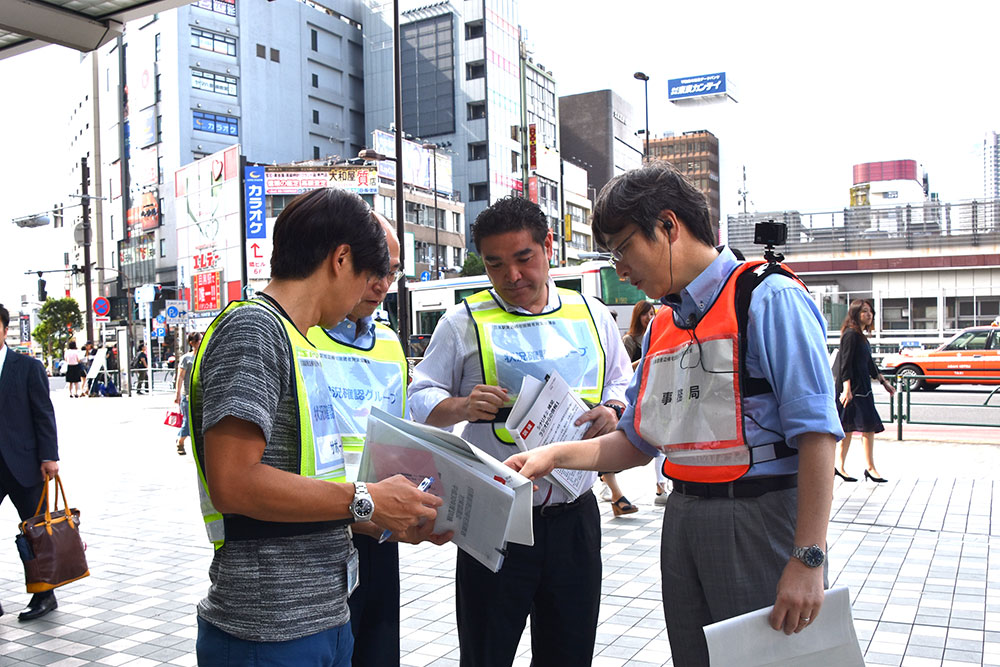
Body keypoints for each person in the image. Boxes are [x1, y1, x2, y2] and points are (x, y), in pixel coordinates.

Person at [506, 162, 844, 667]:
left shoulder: (767, 298)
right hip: (683, 519)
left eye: (623, 248)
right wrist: (551, 456)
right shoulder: (664, 323)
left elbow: (818, 434)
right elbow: (634, 444)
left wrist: (808, 558)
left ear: (668, 226)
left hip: (757, 517)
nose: (619, 268)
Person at [188, 187, 442, 666]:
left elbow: (308, 485)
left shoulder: (297, 338)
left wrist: (386, 520)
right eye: (369, 275)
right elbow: (234, 482)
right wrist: (366, 498)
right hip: (268, 626)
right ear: (341, 259)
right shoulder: (254, 330)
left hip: (321, 614)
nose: (366, 294)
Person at [408, 196, 632, 667]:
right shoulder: (462, 322)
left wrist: (613, 407)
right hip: (497, 517)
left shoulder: (590, 313)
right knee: (487, 652)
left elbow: (621, 379)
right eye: (495, 264)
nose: (512, 276)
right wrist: (461, 405)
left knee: (569, 653)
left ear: (548, 246)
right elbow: (418, 398)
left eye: (523, 258)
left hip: (573, 516)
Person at [307, 213, 451, 666]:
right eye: (375, 270)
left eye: (392, 271)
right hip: (311, 532)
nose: (384, 283)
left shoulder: (388, 343)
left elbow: (401, 437)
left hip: (379, 532)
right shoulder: (295, 335)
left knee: (377, 651)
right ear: (340, 261)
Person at [0, 303, 61, 621]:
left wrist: (49, 456)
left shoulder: (27, 367)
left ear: (4, 329)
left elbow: (43, 414)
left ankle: (44, 595)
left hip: (24, 464)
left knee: (36, 531)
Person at [834, 299, 895, 483]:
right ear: (855, 314)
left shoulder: (860, 335)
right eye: (865, 312)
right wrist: (846, 389)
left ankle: (863, 467)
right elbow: (845, 363)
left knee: (862, 428)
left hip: (863, 389)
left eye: (870, 312)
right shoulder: (850, 335)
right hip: (852, 390)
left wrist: (883, 381)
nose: (869, 315)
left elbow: (868, 363)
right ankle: (846, 466)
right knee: (851, 428)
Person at [173, 332, 203, 456]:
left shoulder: (203, 356)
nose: (201, 342)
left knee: (199, 422)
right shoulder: (186, 358)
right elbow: (180, 377)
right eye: (199, 340)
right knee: (187, 422)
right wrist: (177, 395)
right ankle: (180, 441)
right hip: (187, 395)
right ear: (192, 343)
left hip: (201, 395)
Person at [623, 300, 655, 364]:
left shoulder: (657, 337)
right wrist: (644, 360)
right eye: (644, 314)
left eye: (651, 314)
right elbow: (625, 368)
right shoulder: (629, 340)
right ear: (637, 317)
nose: (649, 317)